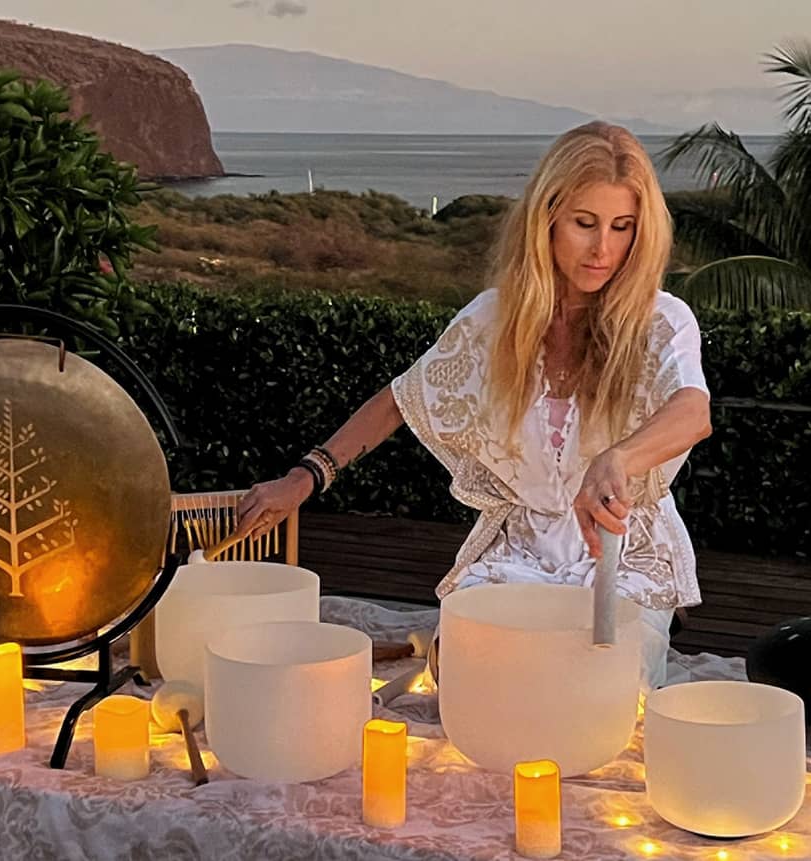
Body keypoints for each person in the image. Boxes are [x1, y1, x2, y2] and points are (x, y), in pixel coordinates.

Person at [233, 121, 711, 689]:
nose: (603, 247)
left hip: (620, 553)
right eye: (585, 223)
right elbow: (401, 400)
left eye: (622, 227)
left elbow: (691, 411)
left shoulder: (662, 320)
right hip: (520, 548)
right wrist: (306, 476)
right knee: (468, 676)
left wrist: (620, 459)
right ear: (548, 218)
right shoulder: (494, 320)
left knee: (595, 689)